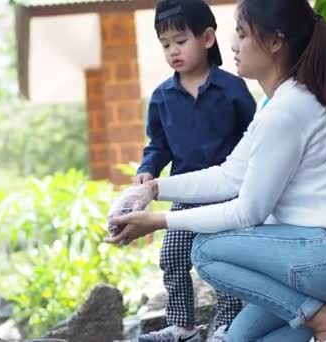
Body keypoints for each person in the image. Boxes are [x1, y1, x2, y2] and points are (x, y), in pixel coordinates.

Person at [106, 0, 326, 341]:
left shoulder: (287, 111)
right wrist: (151, 190)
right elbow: (228, 176)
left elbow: (247, 211)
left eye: (241, 34)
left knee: (206, 250)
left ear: (274, 42)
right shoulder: (280, 104)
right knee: (240, 338)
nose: (233, 45)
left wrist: (158, 221)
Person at [126, 0, 257, 340]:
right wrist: (148, 169)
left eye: (180, 41)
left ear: (208, 38)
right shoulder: (161, 98)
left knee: (222, 260)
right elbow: (158, 144)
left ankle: (227, 325)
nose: (173, 51)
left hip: (228, 197)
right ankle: (183, 326)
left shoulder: (232, 89)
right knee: (172, 256)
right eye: (165, 44)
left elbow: (256, 137)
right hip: (185, 195)